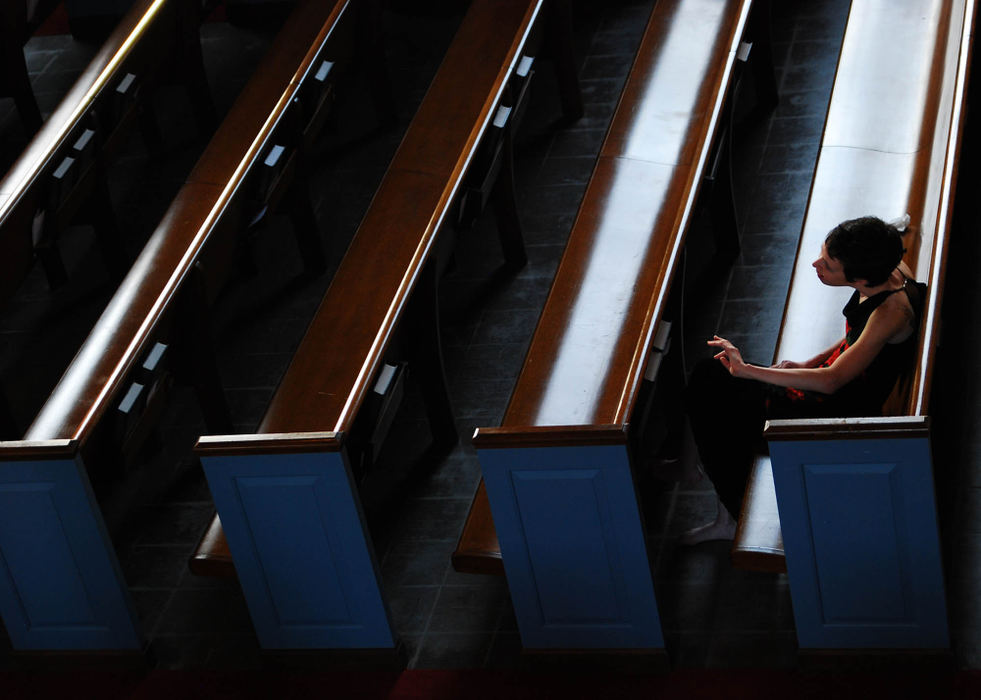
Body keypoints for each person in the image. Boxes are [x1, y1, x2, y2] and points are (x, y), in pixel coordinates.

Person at [679, 215, 926, 544]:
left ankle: (731, 511)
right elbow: (856, 341)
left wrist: (749, 370)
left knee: (717, 400)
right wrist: (809, 362)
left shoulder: (890, 314)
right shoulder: (891, 271)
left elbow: (831, 381)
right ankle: (697, 470)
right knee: (711, 379)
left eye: (828, 264)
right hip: (839, 384)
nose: (816, 265)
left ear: (859, 277)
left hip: (835, 407)